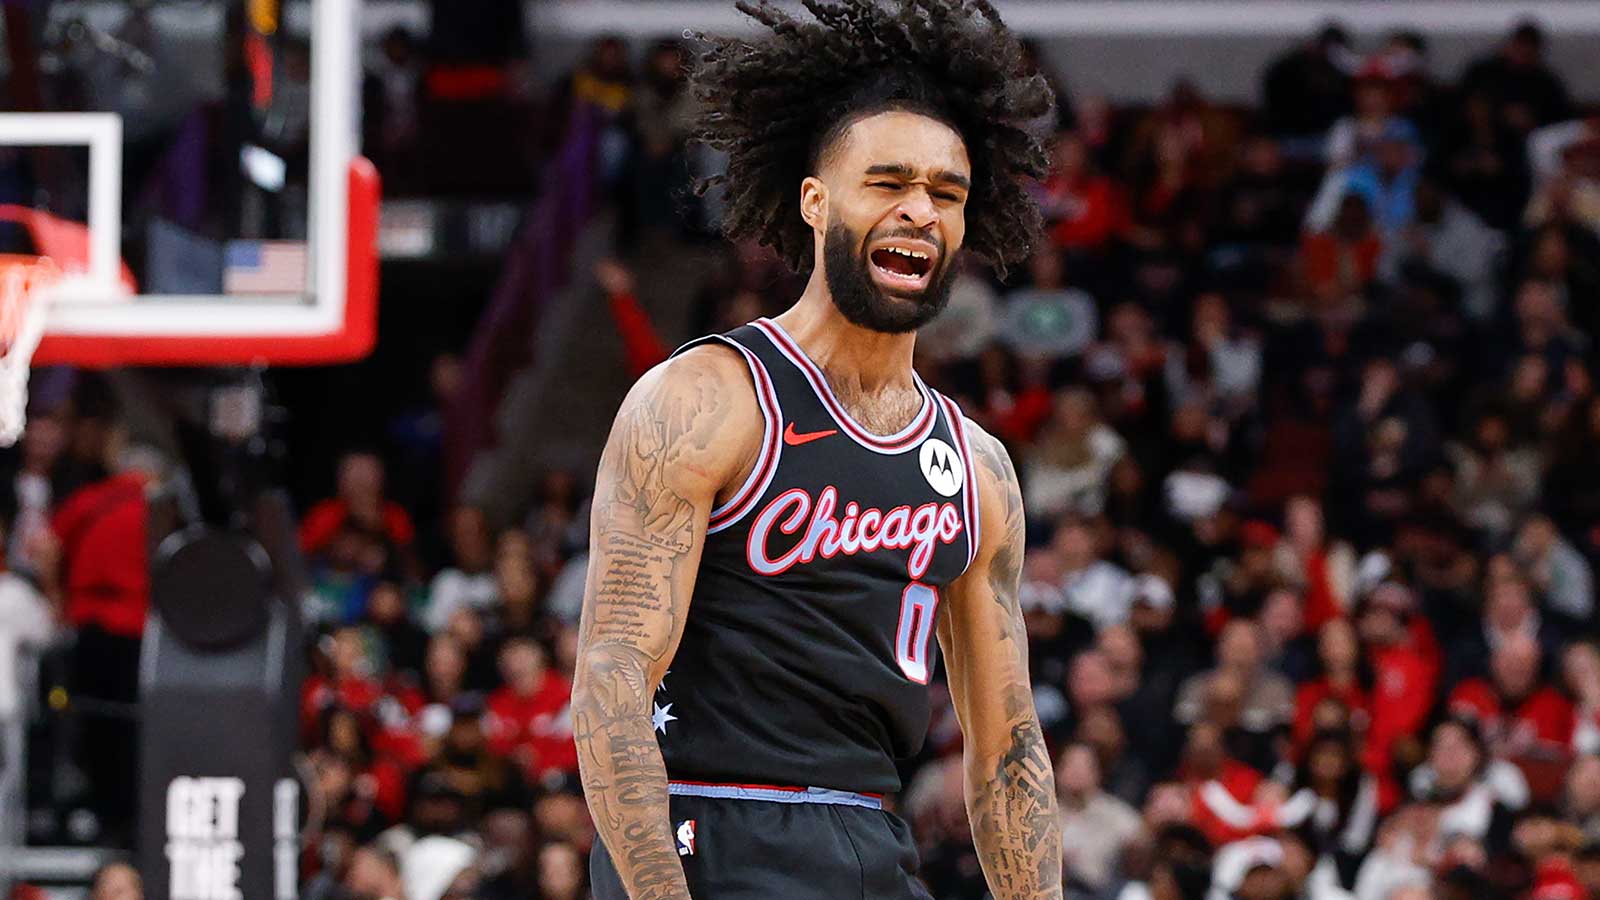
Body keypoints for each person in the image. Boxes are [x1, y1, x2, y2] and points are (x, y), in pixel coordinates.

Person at [573, 2, 1061, 898]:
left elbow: (1006, 749)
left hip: (875, 841)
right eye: (888, 182)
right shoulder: (708, 400)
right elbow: (612, 682)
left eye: (946, 193)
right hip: (711, 831)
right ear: (815, 201)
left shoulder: (977, 468)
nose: (919, 210)